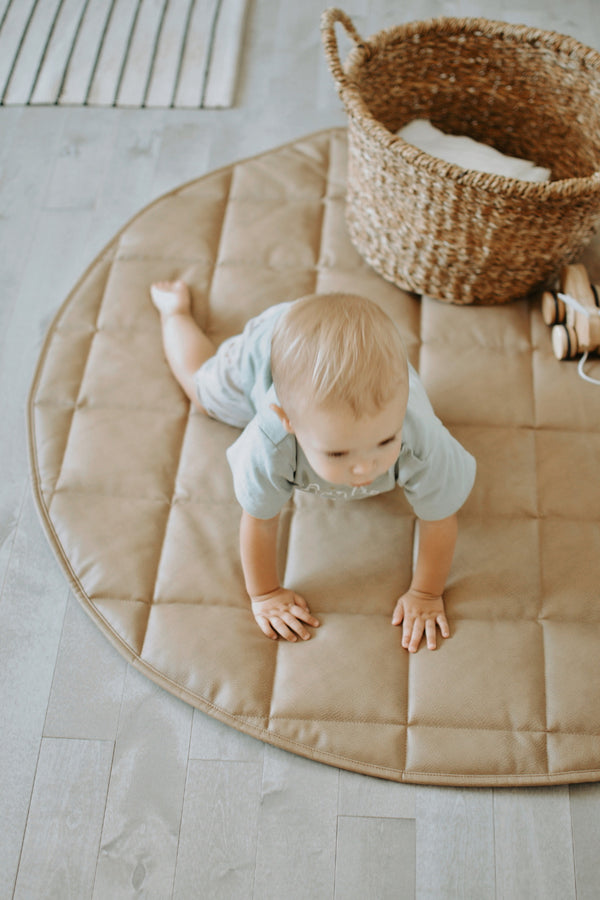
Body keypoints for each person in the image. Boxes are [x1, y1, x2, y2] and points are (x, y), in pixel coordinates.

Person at [150, 280, 476, 652]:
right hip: (268, 348)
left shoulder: (420, 435)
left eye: (386, 441)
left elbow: (439, 519)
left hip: (346, 354)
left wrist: (426, 593)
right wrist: (266, 593)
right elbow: (258, 520)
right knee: (200, 393)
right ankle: (174, 312)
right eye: (338, 454)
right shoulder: (271, 439)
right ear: (287, 421)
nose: (365, 468)